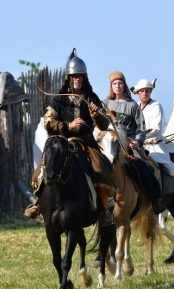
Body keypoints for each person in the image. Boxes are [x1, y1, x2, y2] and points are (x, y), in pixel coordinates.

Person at [24, 48, 118, 226]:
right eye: (74, 76)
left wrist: (96, 115)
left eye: (80, 76)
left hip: (86, 142)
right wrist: (69, 126)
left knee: (101, 166)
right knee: (42, 169)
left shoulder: (92, 98)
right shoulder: (59, 99)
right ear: (68, 77)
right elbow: (48, 122)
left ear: (84, 77)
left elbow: (104, 126)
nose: (77, 79)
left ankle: (104, 210)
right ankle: (37, 204)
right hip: (61, 142)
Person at [103, 71, 166, 215]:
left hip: (129, 146)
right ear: (111, 86)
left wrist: (138, 142)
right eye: (114, 84)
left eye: (120, 83)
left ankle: (155, 200)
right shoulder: (104, 104)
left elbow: (141, 128)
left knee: (145, 168)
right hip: (110, 145)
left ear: (124, 85)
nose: (117, 86)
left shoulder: (132, 105)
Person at [130, 78, 174, 178]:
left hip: (155, 146)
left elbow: (156, 130)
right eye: (142, 91)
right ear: (138, 93)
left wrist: (139, 137)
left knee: (154, 168)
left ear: (151, 91)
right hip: (138, 146)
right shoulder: (135, 106)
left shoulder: (155, 106)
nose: (145, 93)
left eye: (147, 90)